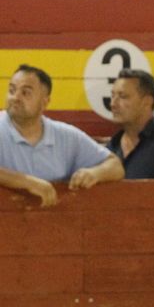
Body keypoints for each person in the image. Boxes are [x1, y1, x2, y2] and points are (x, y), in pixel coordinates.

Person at [0, 65, 124, 206]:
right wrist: (26, 182)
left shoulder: (65, 136)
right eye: (12, 90)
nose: (15, 97)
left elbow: (115, 166)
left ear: (44, 102)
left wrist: (95, 173)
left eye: (25, 93)